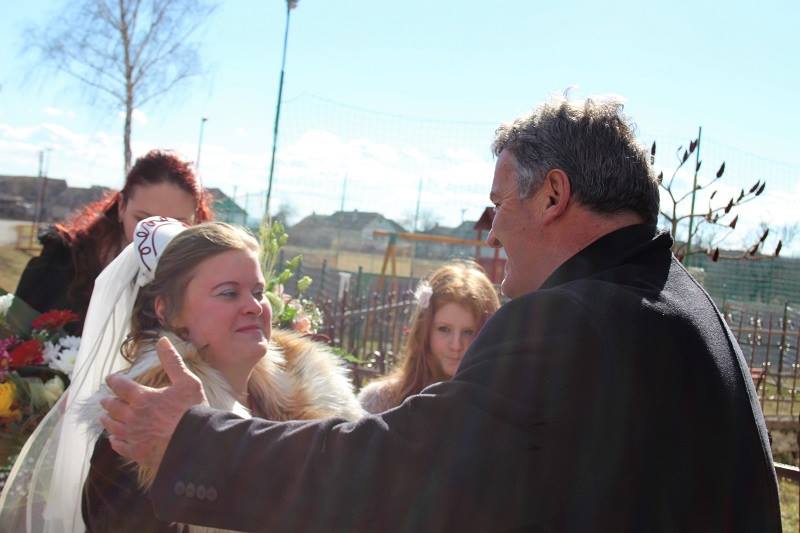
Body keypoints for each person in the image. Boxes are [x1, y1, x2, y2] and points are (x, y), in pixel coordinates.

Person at [101, 98, 781, 532]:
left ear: (552, 195)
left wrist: (196, 441)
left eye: (498, 203)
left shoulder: (568, 320)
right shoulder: (686, 306)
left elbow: (394, 470)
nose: (492, 229)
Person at [0, 218, 363, 533]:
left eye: (258, 292)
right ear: (168, 312)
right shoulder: (135, 434)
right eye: (228, 293)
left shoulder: (314, 400)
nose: (254, 306)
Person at [14, 150, 212, 333]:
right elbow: (12, 342)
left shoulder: (204, 285)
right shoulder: (60, 264)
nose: (154, 236)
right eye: (143, 220)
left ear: (195, 223)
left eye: (174, 225)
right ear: (121, 207)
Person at [358, 261, 500, 413]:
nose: (456, 345)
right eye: (444, 329)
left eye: (468, 332)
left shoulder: (503, 407)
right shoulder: (380, 402)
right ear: (424, 331)